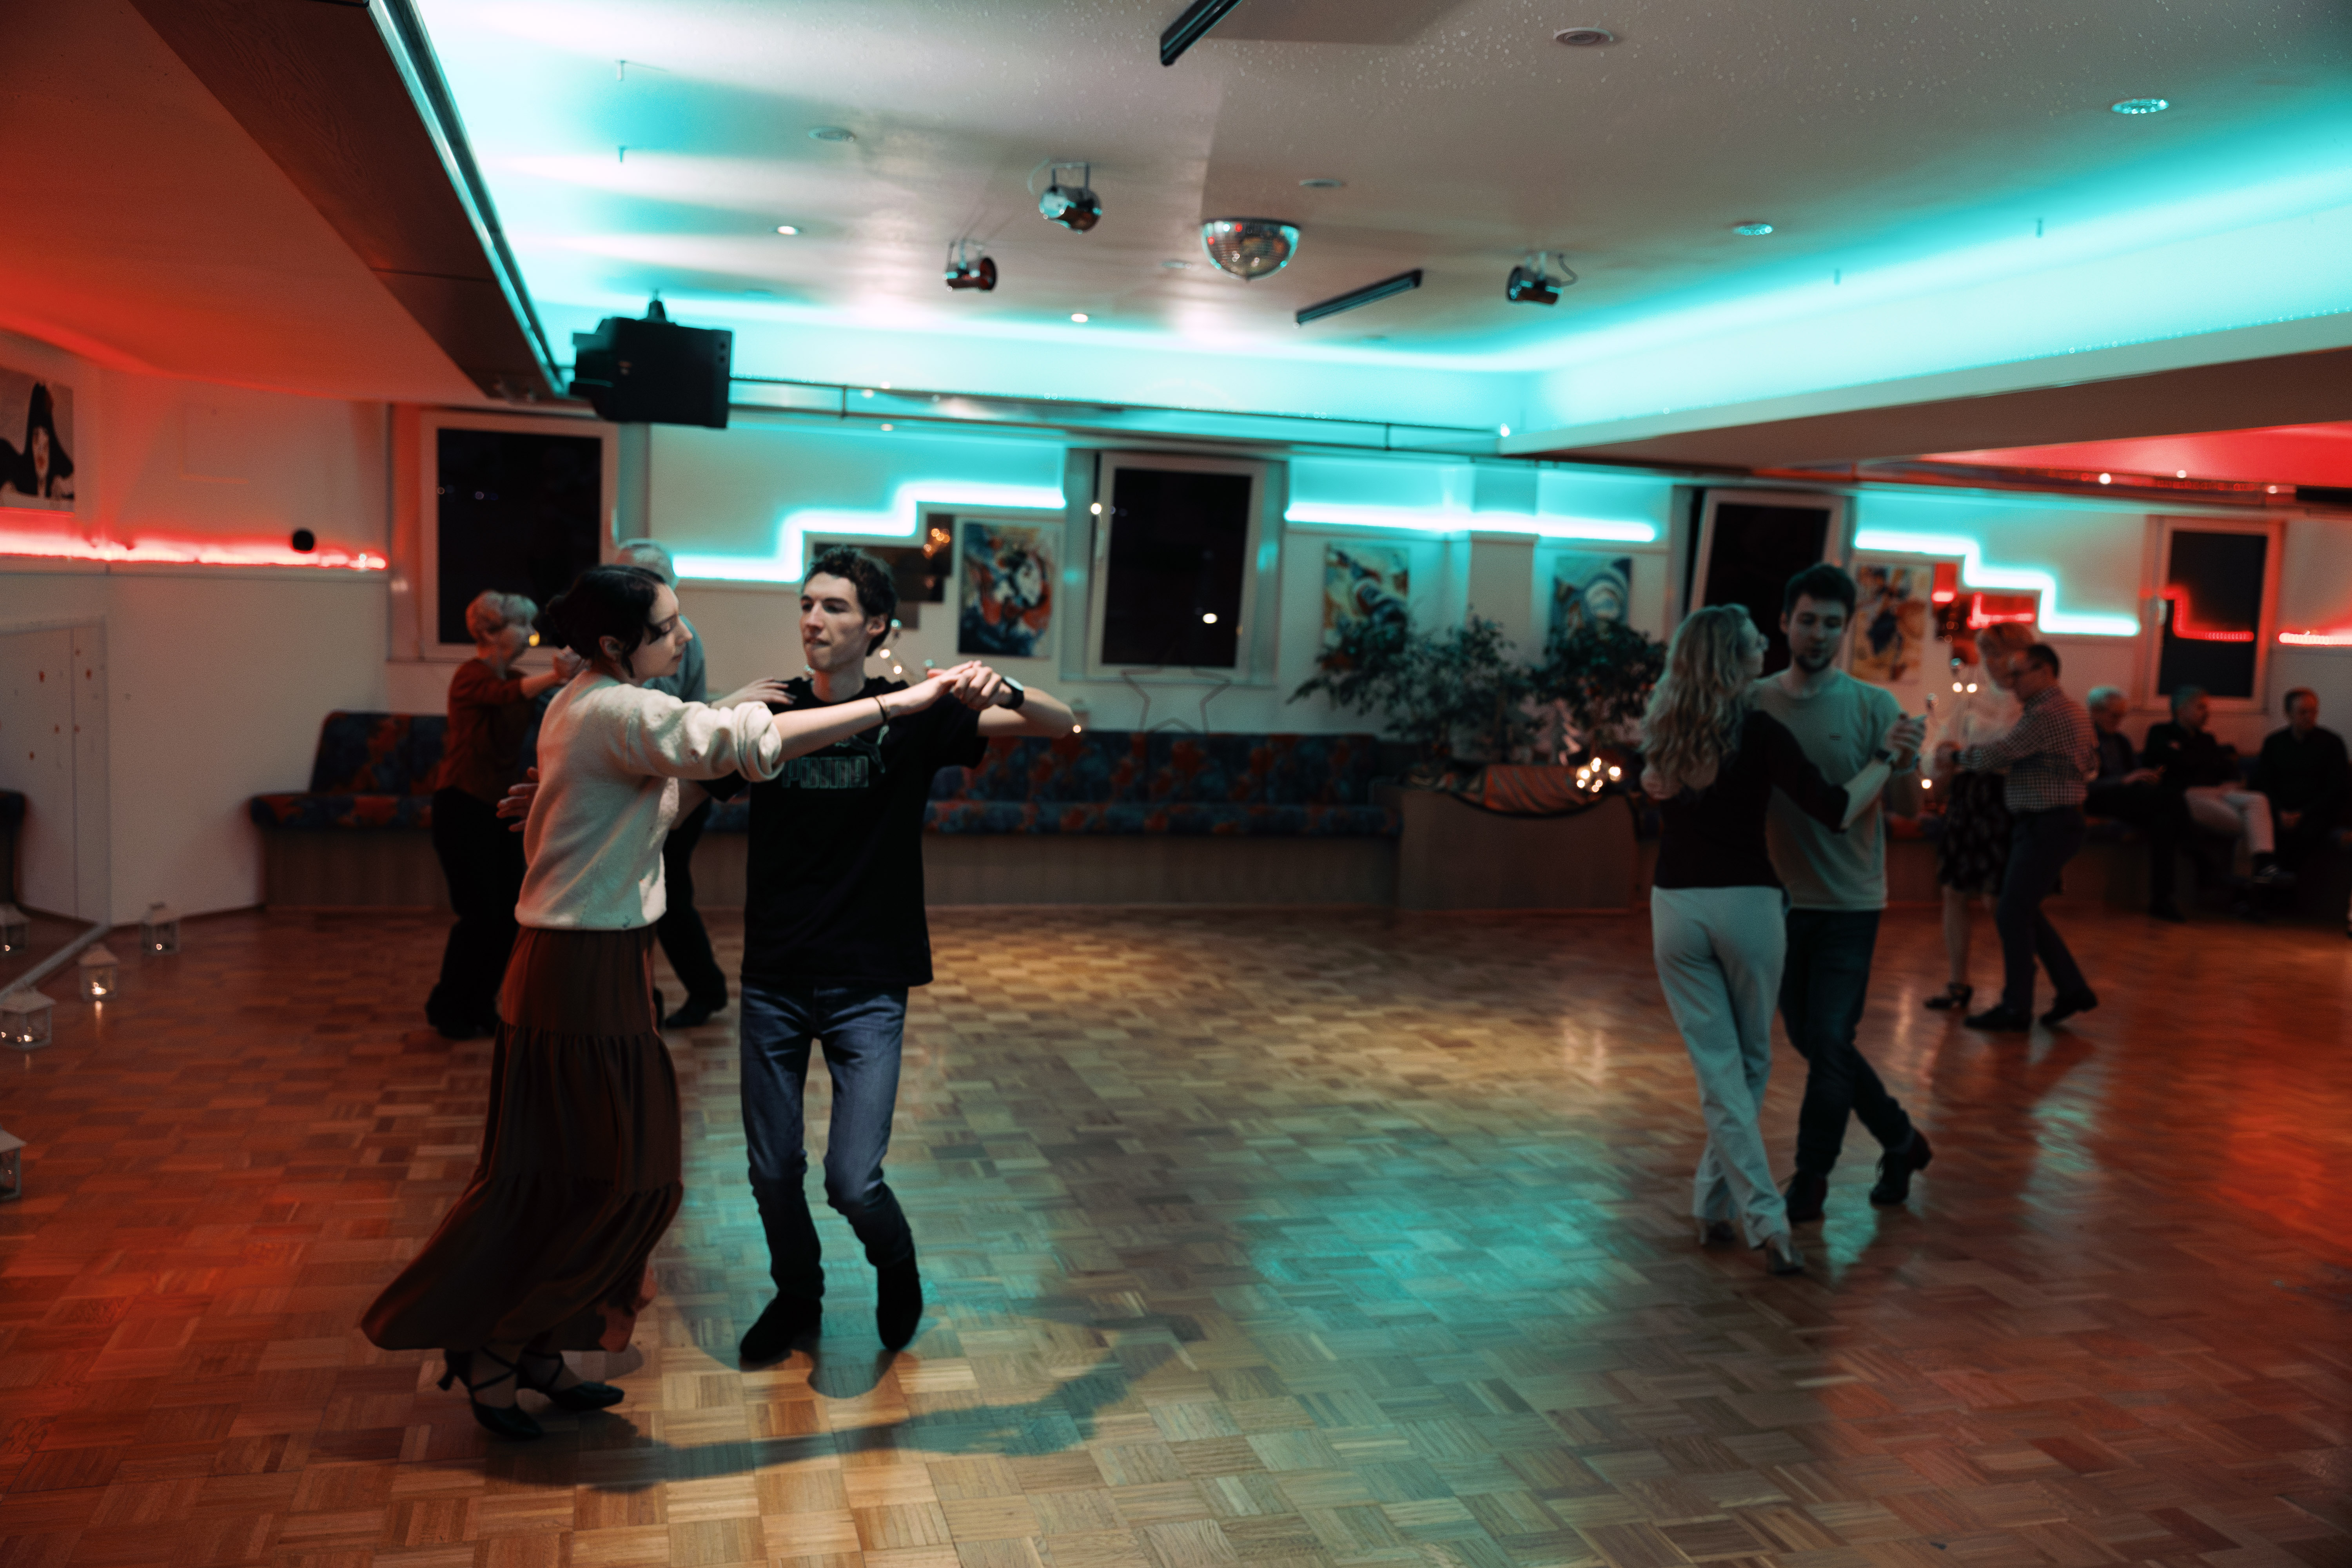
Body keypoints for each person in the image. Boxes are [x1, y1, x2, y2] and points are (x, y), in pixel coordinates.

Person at [362, 564, 960, 1440]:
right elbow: (735, 747)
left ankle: (536, 1344)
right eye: (670, 626)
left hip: (598, 960)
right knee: (599, 1173)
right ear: (616, 644)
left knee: (600, 1172)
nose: (684, 639)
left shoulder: (592, 701)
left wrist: (590, 785)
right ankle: (492, 1341)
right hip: (576, 966)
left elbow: (675, 770)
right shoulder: (615, 708)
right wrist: (893, 705)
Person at [715, 547, 1078, 1362]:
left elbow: (1061, 723)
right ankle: (797, 1293)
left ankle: (896, 1261)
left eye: (835, 607)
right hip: (775, 973)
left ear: (876, 625)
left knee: (852, 1179)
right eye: (807, 604)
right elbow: (678, 767)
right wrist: (717, 710)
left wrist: (1004, 687)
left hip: (869, 978)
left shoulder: (914, 713)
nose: (814, 620)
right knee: (772, 1170)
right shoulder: (770, 711)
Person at [1641, 604, 1906, 1276]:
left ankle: (1712, 1205)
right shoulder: (1759, 732)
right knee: (1748, 1065)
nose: (1766, 648)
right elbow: (1836, 809)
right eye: (1755, 643)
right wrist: (1886, 758)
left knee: (1719, 1070)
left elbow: (1653, 792)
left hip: (1673, 909)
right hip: (1747, 907)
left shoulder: (1662, 728)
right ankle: (1766, 1219)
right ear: (1734, 659)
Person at [1753, 565, 1932, 1224]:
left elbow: (1907, 798)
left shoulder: (1874, 706)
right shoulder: (1754, 702)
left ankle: (1812, 1179)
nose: (1819, 634)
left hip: (1851, 903)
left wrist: (1906, 756)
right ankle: (1901, 1140)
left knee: (1829, 1037)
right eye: (1808, 620)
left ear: (1847, 629)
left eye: (1832, 623)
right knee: (1813, 1039)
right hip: (1776, 902)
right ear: (1784, 623)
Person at [423, 591, 576, 1039]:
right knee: (478, 916)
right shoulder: (469, 676)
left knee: (509, 914)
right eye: (521, 625)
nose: (530, 634)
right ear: (491, 632)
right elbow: (504, 694)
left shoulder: (518, 678)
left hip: (498, 809)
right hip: (461, 806)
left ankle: (480, 1005)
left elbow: (546, 704)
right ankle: (448, 1007)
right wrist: (554, 675)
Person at [1944, 642, 2099, 1031]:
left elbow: (1999, 755)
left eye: (2019, 674)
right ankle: (2072, 990)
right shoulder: (2071, 710)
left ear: (2045, 671)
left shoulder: (2046, 713)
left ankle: (2016, 1006)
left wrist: (1956, 757)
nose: (2011, 682)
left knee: (2012, 911)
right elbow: (2092, 762)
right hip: (2054, 822)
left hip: (2047, 823)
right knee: (2023, 910)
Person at [616, 538, 732, 1029]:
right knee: (659, 894)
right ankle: (690, 992)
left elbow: (654, 712)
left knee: (665, 895)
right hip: (662, 783)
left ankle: (700, 992)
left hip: (677, 787)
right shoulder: (649, 633)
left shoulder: (672, 637)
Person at [1923, 622, 2032, 1013]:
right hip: (1970, 798)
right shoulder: (1973, 700)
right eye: (1987, 654)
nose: (1992, 662)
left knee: (1997, 897)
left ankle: (2017, 987)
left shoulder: (2032, 703)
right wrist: (1941, 754)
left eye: (1999, 653)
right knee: (1954, 890)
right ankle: (1958, 982)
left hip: (2009, 800)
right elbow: (1943, 742)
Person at [2143, 686, 2290, 887]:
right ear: (2181, 710)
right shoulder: (2160, 732)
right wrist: (2195, 757)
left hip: (2219, 792)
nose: (2207, 713)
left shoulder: (2207, 739)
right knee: (2250, 825)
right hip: (2187, 795)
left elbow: (2225, 768)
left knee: (2258, 799)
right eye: (2201, 707)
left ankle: (2265, 866)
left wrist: (2231, 780)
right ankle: (2248, 888)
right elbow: (2177, 762)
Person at [2082, 686, 2189, 922]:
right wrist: (2124, 780)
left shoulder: (2121, 740)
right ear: (2095, 712)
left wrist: (2144, 777)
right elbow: (2084, 783)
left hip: (2127, 798)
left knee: (2163, 822)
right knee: (2171, 799)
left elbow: (2134, 772)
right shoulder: (2083, 739)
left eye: (2122, 716)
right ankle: (2195, 851)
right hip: (2101, 798)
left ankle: (2162, 900)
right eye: (2114, 715)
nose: (2119, 721)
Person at [2249, 688, 2347, 879]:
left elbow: (2336, 788)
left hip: (2316, 813)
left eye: (2313, 711)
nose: (2310, 717)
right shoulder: (2275, 743)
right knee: (2264, 830)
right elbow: (2263, 782)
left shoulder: (2332, 743)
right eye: (2303, 712)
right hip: (2279, 810)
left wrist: (2303, 813)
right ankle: (2267, 883)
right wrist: (2280, 811)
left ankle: (2287, 885)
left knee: (2305, 834)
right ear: (2288, 714)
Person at [3, 383, 74, 504]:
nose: (41, 449)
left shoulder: (62, 474)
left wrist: (65, 486)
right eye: (36, 436)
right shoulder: (18, 474)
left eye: (45, 435)